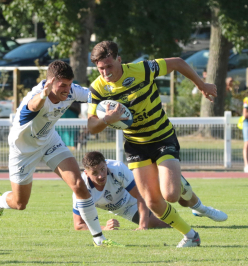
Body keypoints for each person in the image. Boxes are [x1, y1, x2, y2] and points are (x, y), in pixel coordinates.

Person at [87, 41, 217, 247]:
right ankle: (191, 236)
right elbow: (92, 125)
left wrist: (202, 85)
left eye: (109, 66)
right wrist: (106, 120)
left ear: (119, 60)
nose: (106, 72)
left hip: (161, 137)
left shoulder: (143, 69)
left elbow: (178, 62)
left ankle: (179, 182)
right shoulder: (97, 89)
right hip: (136, 145)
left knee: (171, 195)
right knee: (153, 203)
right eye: (101, 68)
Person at [0, 60, 122, 248]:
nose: (67, 89)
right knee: (20, 203)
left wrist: (111, 104)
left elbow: (94, 95)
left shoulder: (71, 90)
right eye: (62, 85)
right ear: (50, 82)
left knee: (79, 185)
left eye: (69, 84)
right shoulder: (35, 97)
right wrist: (43, 94)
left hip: (49, 141)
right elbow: (34, 105)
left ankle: (99, 240)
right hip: (23, 150)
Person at [73, 152, 227, 231]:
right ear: (86, 173)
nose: (101, 175)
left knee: (176, 195)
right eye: (95, 173)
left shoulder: (117, 168)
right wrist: (104, 228)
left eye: (102, 169)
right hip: (124, 209)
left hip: (141, 191)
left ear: (106, 164)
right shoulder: (81, 187)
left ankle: (201, 209)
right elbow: (78, 224)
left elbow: (140, 195)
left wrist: (142, 226)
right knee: (165, 224)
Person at [242, 96, 248, 172]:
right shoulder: (247, 99)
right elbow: (245, 115)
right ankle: (246, 165)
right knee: (247, 143)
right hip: (247, 123)